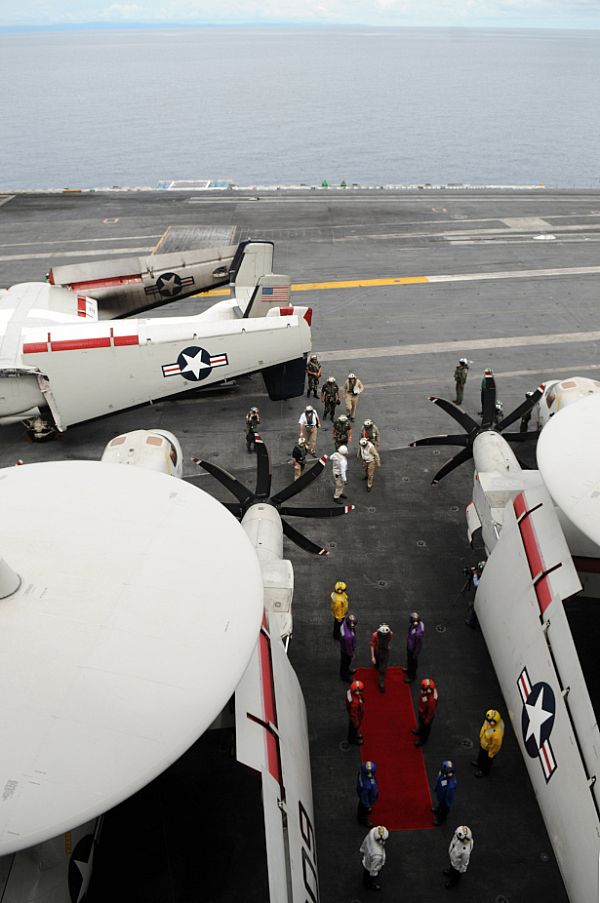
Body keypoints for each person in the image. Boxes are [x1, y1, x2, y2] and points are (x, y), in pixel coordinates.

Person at [472, 709, 505, 777]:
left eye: (489, 720)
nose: (487, 721)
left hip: (488, 749)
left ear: (493, 722)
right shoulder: (489, 721)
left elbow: (496, 745)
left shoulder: (497, 734)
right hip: (484, 744)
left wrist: (491, 754)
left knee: (487, 761)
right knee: (481, 755)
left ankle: (484, 771)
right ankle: (479, 762)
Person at [359, 825, 388, 891]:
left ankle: (366, 882)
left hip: (367, 856)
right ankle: (369, 885)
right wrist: (374, 874)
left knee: (365, 872)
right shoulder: (378, 854)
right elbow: (374, 868)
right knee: (369, 875)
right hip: (371, 864)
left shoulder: (373, 831)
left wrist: (362, 849)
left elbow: (365, 840)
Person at [412, 677, 438, 746]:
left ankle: (423, 740)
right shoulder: (428, 692)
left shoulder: (431, 701)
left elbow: (431, 712)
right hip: (422, 711)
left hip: (426, 716)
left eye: (424, 688)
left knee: (425, 728)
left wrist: (427, 720)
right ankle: (419, 730)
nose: (422, 689)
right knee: (421, 723)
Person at [370, 623, 394, 692]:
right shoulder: (375, 635)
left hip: (385, 652)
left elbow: (390, 640)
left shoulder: (390, 634)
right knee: (377, 663)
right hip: (377, 650)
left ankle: (381, 682)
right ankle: (377, 665)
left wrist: (387, 645)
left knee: (382, 669)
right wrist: (373, 657)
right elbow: (372, 645)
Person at [432, 760, 457, 826]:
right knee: (440, 805)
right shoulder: (443, 775)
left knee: (444, 810)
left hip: (445, 800)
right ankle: (438, 809)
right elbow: (439, 781)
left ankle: (441, 820)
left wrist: (447, 804)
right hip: (441, 796)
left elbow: (449, 796)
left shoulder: (451, 785)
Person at [403, 611, 424, 683]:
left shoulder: (418, 634)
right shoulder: (413, 625)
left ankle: (412, 676)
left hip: (413, 650)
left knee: (413, 663)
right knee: (409, 660)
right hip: (410, 646)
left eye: (411, 619)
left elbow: (418, 645)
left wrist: (415, 654)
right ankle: (409, 670)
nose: (409, 620)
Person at [356, 761, 379, 827]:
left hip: (367, 793)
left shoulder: (362, 771)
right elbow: (364, 797)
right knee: (363, 809)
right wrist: (367, 806)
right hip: (368, 798)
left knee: (361, 805)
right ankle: (362, 820)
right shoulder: (367, 786)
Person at [464, 561, 485, 629]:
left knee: (475, 607)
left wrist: (475, 574)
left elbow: (476, 584)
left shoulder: (483, 578)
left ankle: (472, 622)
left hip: (481, 594)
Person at [346, 678, 365, 745]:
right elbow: (353, 714)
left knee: (353, 728)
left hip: (352, 712)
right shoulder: (355, 703)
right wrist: (356, 722)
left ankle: (354, 735)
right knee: (353, 728)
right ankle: (352, 739)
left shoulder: (349, 692)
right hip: (356, 717)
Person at [340, 612, 358, 682]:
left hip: (343, 646)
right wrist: (351, 654)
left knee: (344, 663)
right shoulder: (348, 637)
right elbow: (349, 648)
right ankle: (345, 677)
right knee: (346, 662)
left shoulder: (345, 622)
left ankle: (345, 671)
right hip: (346, 650)